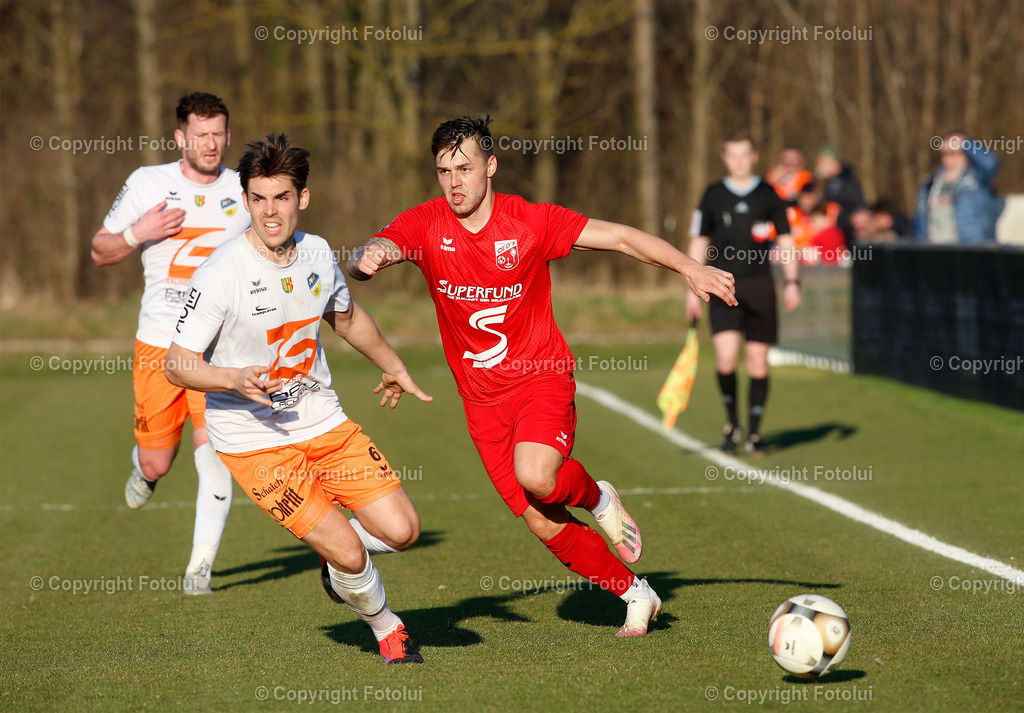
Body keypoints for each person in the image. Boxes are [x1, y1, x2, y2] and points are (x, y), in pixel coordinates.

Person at [346, 116, 736, 637]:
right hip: (481, 403)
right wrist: (369, 255)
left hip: (541, 380)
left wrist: (690, 267)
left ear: (491, 166)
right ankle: (636, 593)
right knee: (541, 519)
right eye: (444, 171)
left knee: (537, 476)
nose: (454, 181)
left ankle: (597, 497)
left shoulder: (528, 221)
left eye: (464, 168)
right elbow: (377, 247)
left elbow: (619, 237)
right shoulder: (427, 223)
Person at [166, 134, 430, 664]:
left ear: (301, 198)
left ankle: (337, 559)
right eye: (258, 198)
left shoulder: (316, 252)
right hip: (251, 441)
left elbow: (346, 317)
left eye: (281, 197)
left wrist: (393, 365)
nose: (270, 211)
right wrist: (231, 378)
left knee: (404, 532)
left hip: (321, 419)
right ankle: (386, 628)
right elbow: (177, 363)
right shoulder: (222, 272)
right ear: (245, 201)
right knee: (353, 555)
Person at [91, 92, 250, 594]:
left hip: (217, 350)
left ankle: (199, 569)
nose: (211, 143)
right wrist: (138, 232)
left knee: (216, 453)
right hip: (159, 346)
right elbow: (100, 251)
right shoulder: (148, 183)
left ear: (228, 135)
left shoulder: (245, 189)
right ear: (180, 137)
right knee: (158, 458)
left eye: (218, 133)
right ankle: (146, 471)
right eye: (200, 134)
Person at [687, 132, 800, 456]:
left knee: (757, 362)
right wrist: (690, 285)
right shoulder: (712, 194)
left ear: (754, 157)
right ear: (724, 157)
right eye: (732, 155)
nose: (738, 162)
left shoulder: (769, 194)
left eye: (744, 155)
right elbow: (699, 239)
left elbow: (787, 240)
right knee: (725, 358)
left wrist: (793, 281)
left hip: (760, 286)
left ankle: (754, 433)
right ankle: (732, 423)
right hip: (722, 285)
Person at [913, 132, 1002, 244]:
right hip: (936, 249)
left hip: (971, 247)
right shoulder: (929, 182)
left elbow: (991, 163)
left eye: (956, 152)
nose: (951, 158)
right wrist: (922, 241)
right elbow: (920, 219)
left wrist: (965, 143)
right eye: (946, 153)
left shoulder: (975, 179)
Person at [813, 145, 866, 246]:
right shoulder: (830, 182)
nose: (818, 165)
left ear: (834, 162)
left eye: (822, 162)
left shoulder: (843, 183)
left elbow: (857, 209)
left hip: (844, 239)